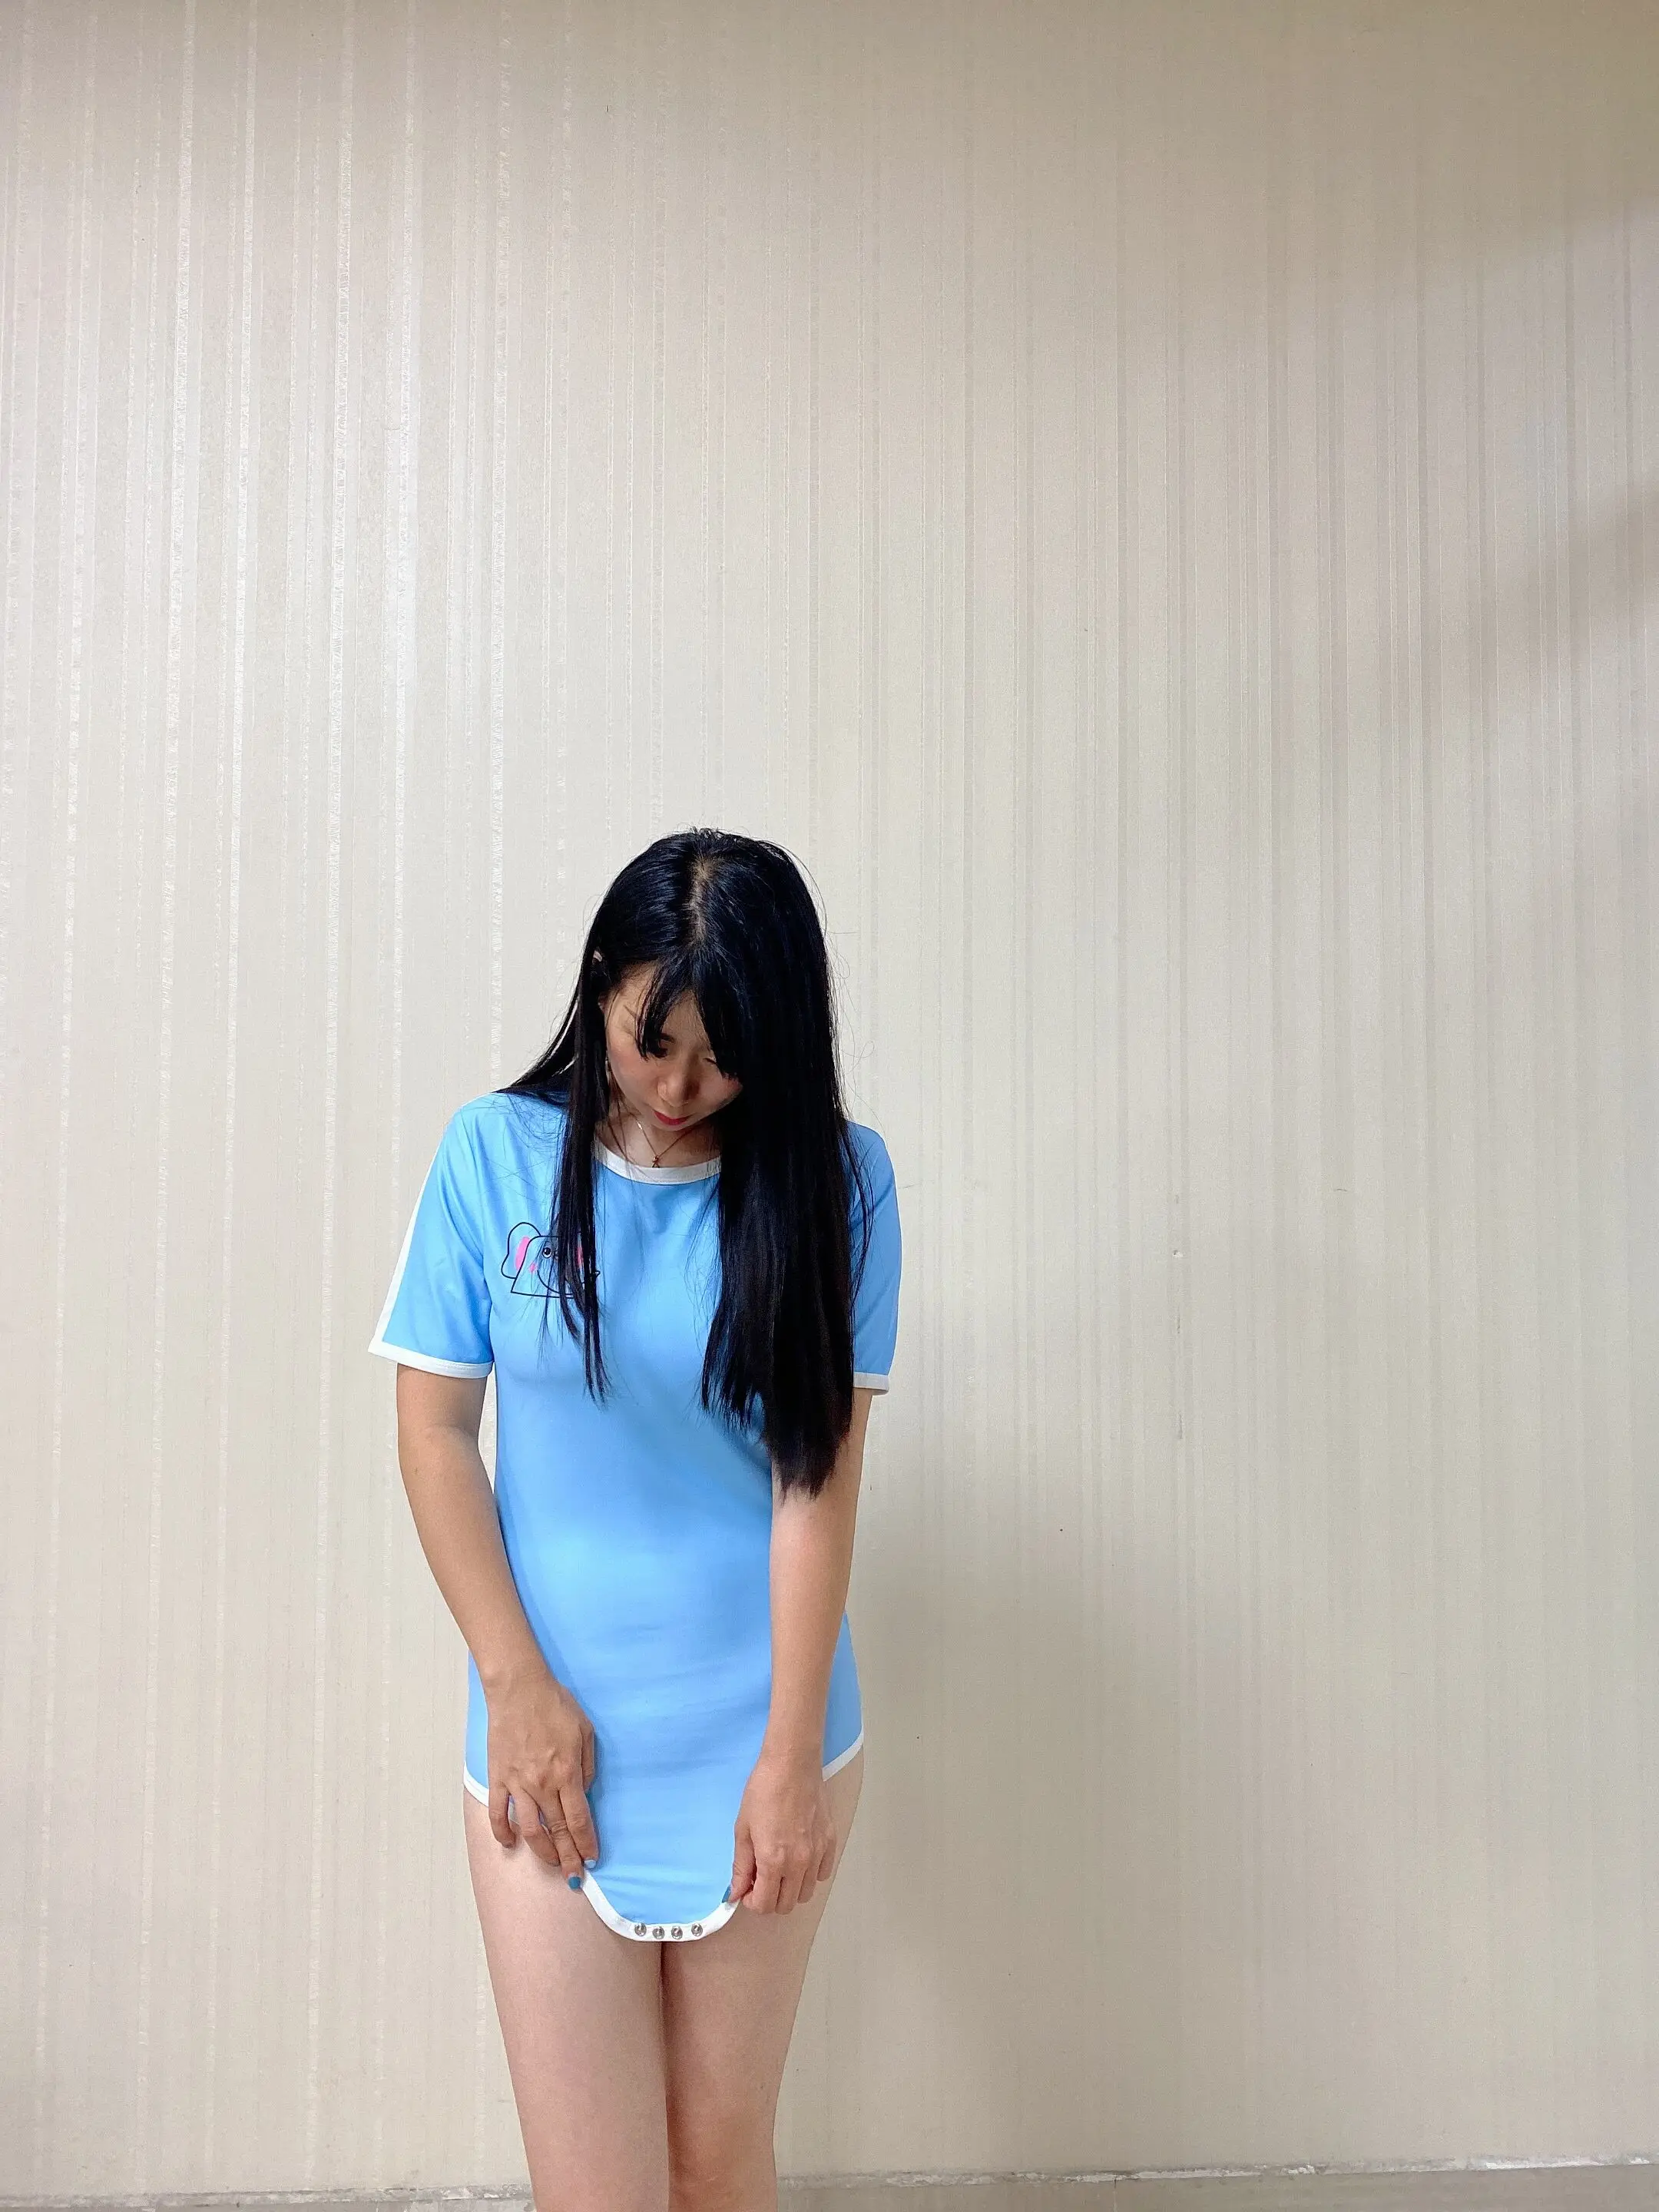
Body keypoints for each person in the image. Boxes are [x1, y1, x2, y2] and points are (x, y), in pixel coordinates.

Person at [367, 826, 902, 2212]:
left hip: (761, 1734)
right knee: (593, 2188)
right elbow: (434, 1438)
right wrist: (515, 1687)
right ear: (600, 981)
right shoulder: (493, 1157)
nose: (678, 1088)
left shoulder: (839, 1184)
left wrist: (789, 1757)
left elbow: (815, 1484)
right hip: (548, 1736)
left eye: (723, 1058)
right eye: (651, 1041)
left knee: (718, 2161)